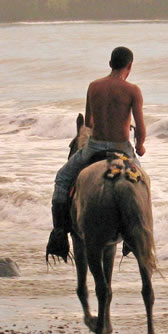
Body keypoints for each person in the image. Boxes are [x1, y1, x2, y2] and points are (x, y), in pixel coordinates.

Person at [46, 46, 146, 261]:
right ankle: (137, 231)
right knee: (143, 183)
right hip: (122, 149)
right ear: (129, 66)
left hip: (95, 147)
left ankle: (59, 233)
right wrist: (141, 146)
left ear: (110, 64)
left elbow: (89, 122)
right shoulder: (133, 90)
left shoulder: (94, 86)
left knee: (62, 179)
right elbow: (141, 126)